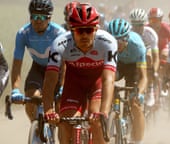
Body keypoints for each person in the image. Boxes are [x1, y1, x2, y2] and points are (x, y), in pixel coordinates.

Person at [42, 2, 117, 144]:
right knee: (65, 123)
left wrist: (104, 112)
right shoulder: (59, 44)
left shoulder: (108, 42)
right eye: (79, 31)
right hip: (74, 85)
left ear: (96, 29)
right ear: (71, 30)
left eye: (88, 30)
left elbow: (108, 79)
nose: (84, 35)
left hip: (97, 83)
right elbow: (50, 79)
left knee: (97, 122)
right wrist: (48, 110)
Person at [10, 0, 66, 122]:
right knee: (31, 97)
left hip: (58, 69)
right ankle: (36, 127)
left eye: (41, 17)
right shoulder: (23, 33)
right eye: (34, 16)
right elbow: (17, 64)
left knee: (60, 107)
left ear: (49, 18)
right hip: (38, 67)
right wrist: (15, 89)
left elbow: (65, 62)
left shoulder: (59, 33)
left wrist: (63, 86)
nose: (38, 20)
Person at [108, 18, 148, 144]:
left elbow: (143, 77)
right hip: (118, 64)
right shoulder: (107, 44)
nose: (117, 44)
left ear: (127, 37)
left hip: (133, 67)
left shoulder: (137, 46)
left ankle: (138, 140)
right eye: (114, 40)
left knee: (135, 104)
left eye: (121, 40)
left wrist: (139, 93)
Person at [129, 8, 159, 107]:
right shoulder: (128, 32)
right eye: (135, 25)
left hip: (146, 54)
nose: (137, 28)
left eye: (140, 25)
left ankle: (150, 88)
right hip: (133, 55)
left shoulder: (150, 34)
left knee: (149, 56)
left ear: (145, 23)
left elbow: (156, 56)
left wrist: (154, 70)